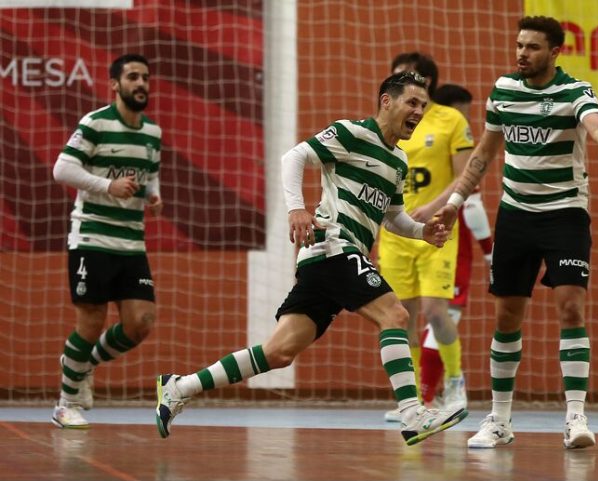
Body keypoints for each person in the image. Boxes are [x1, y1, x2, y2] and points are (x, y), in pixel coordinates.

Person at [155, 71, 469, 446]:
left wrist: (422, 233)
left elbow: (392, 217)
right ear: (387, 101)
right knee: (396, 315)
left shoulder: (398, 161)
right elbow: (295, 156)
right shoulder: (352, 133)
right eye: (411, 102)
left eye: (423, 105)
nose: (418, 111)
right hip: (334, 244)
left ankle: (179, 386)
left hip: (329, 258)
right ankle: (413, 413)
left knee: (279, 352)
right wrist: (296, 208)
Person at [435, 16, 598, 450]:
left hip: (565, 216)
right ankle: (501, 419)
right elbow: (482, 157)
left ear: (555, 52)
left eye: (532, 47)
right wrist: (453, 205)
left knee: (570, 309)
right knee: (507, 315)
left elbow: (596, 121)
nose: (522, 53)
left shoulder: (573, 91)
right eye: (519, 45)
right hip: (516, 216)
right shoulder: (504, 91)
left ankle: (576, 416)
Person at [51, 53, 163, 429]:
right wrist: (108, 186)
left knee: (141, 322)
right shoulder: (95, 123)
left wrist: (152, 194)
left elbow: (150, 173)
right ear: (115, 85)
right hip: (92, 237)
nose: (141, 83)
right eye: (133, 77)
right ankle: (66, 404)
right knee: (91, 321)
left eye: (145, 77)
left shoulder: (152, 133)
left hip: (132, 242)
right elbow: (62, 168)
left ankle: (82, 365)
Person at [379, 54, 475, 422]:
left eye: (402, 77)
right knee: (402, 316)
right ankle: (418, 399)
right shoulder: (386, 121)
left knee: (436, 311)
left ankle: (455, 382)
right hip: (395, 234)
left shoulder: (450, 120)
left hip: (436, 231)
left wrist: (433, 206)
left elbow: (466, 177)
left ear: (426, 83)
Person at [412, 84, 494, 409]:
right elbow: (472, 206)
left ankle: (428, 393)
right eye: (464, 113)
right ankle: (428, 395)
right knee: (441, 315)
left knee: (427, 316)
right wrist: (489, 253)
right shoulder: (457, 152)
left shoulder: (423, 147)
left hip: (416, 238)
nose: (467, 121)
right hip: (449, 242)